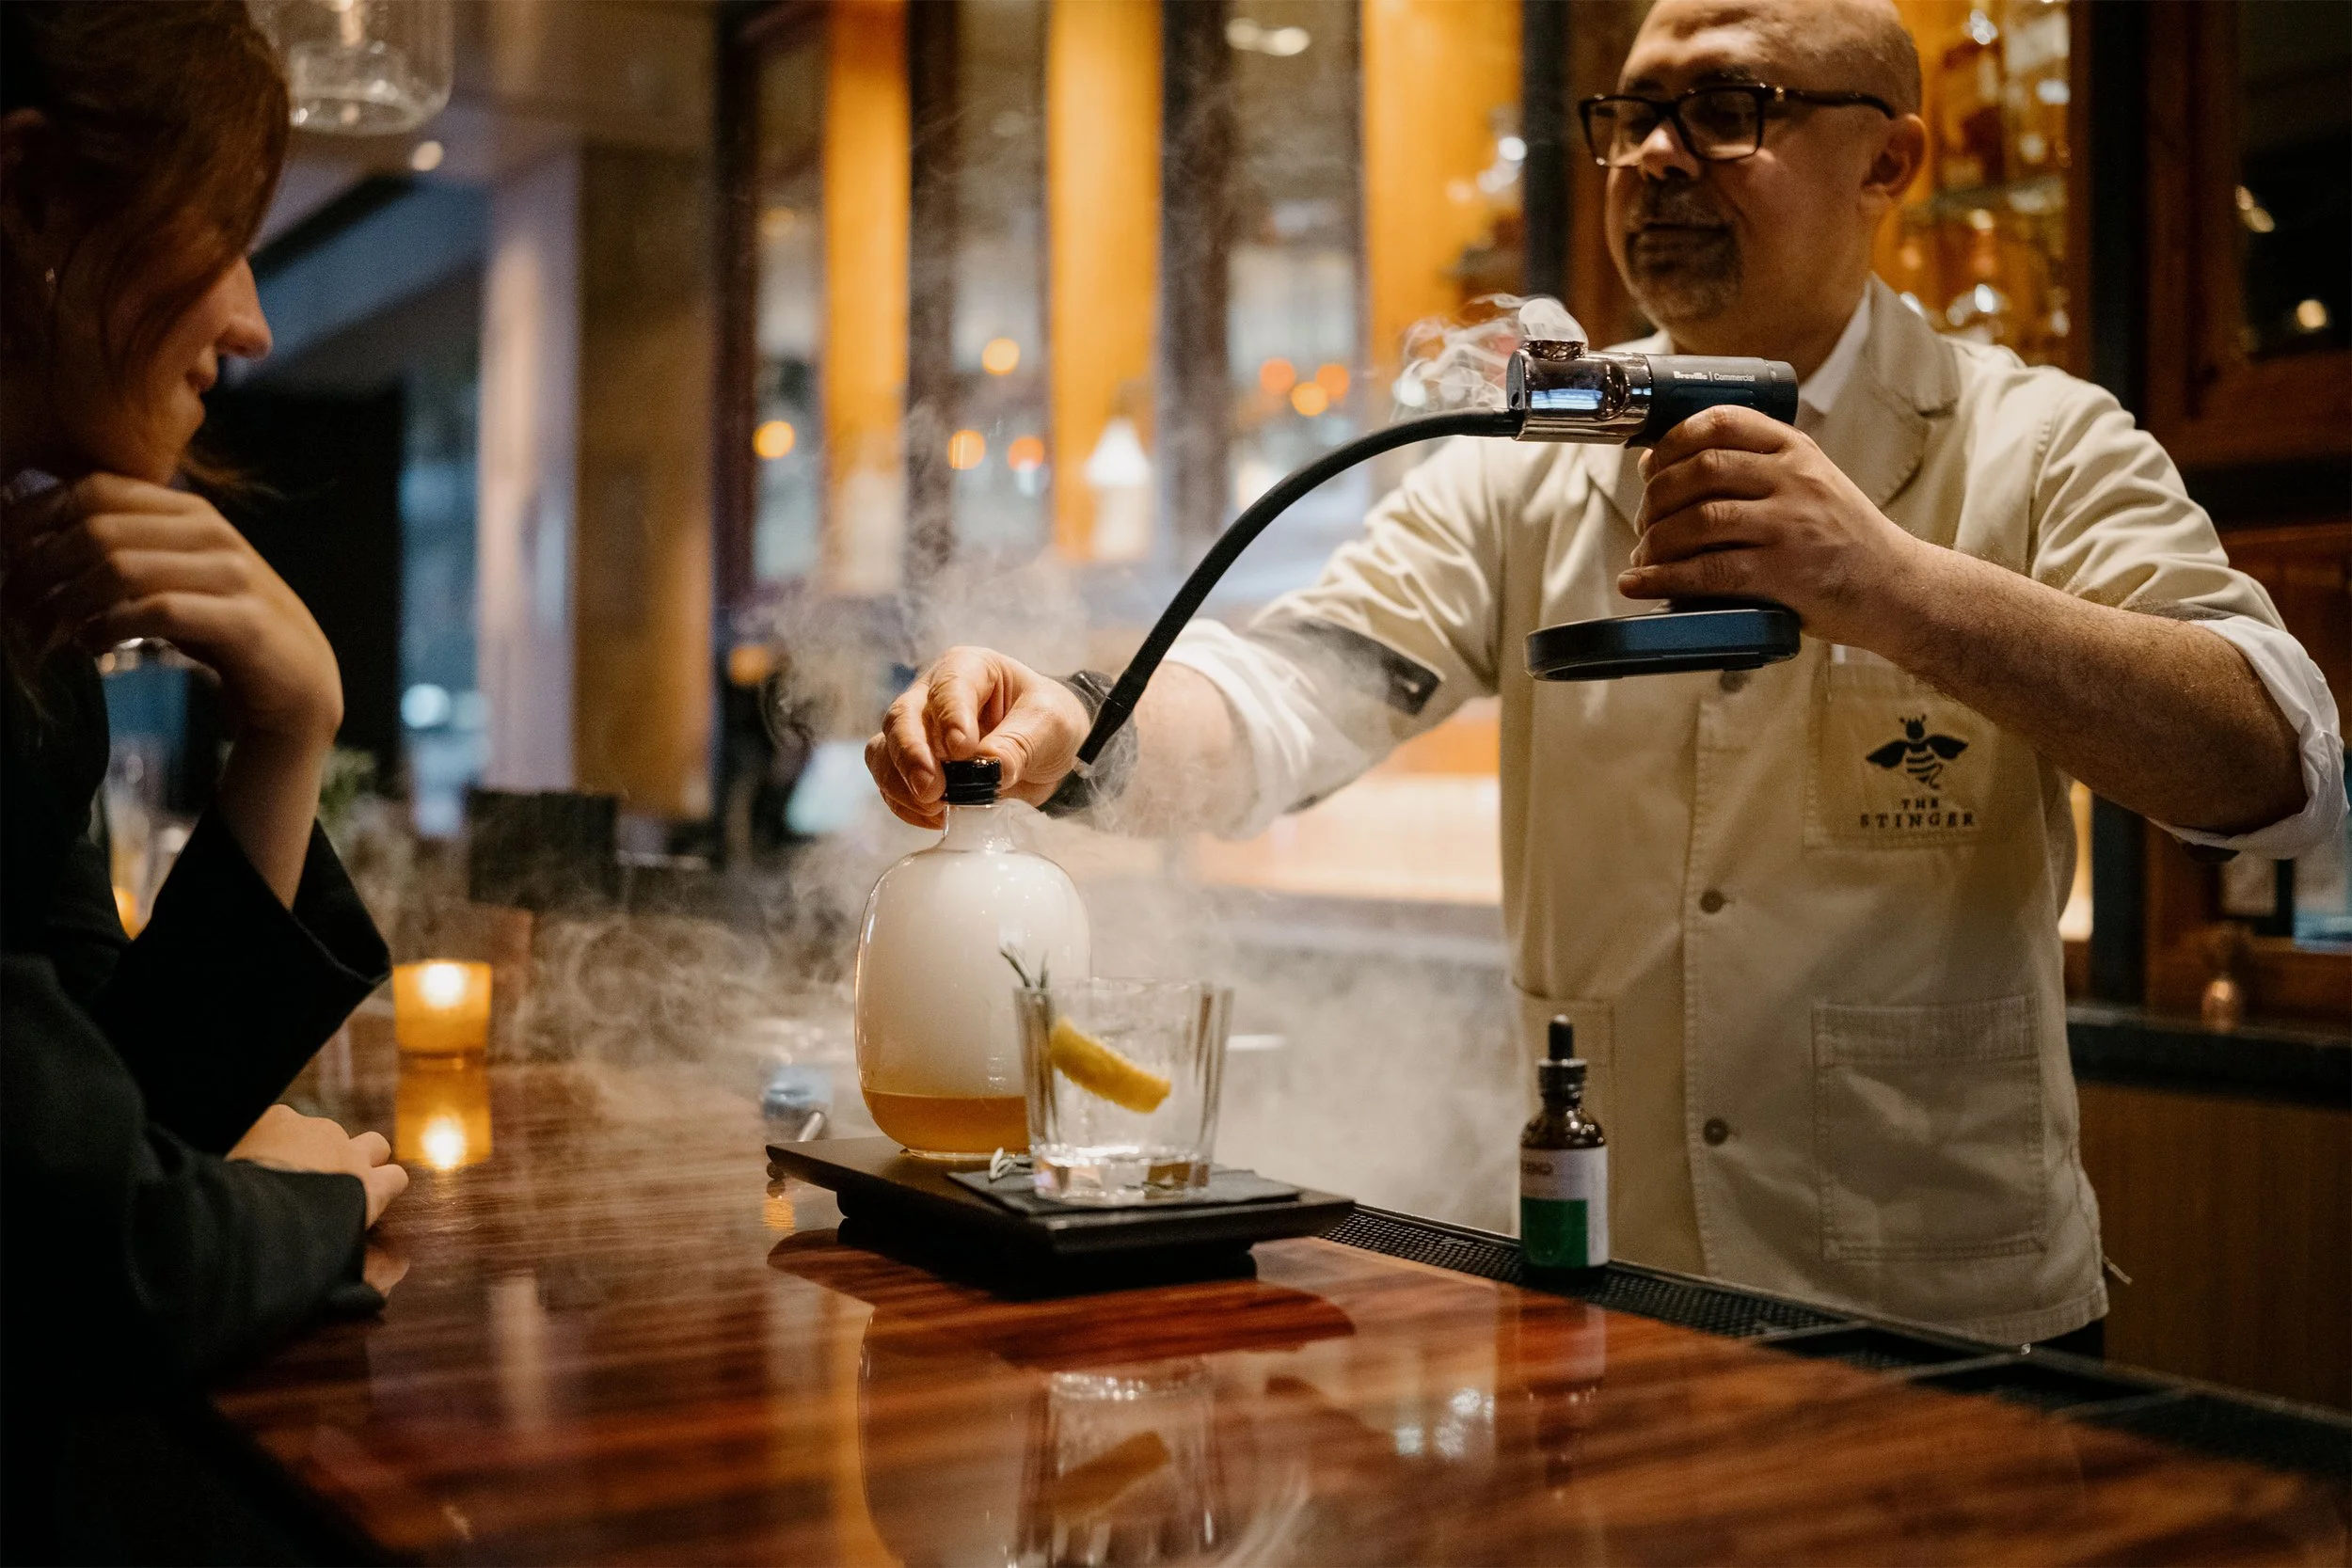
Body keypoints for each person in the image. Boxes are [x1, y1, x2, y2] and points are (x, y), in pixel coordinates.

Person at [869, 0, 2344, 1350]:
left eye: (1726, 109)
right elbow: (1299, 685)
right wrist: (1084, 720)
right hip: (1610, 1310)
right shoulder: (1538, 456)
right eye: (1629, 116)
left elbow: (2278, 763)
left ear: (1888, 161)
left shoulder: (2034, 440)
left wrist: (1889, 585)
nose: (1651, 157)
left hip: (1947, 1331)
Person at [1, 2, 406, 1551]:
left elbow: (130, 1102)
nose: (257, 323)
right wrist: (329, 1207)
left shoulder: (27, 647)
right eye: (227, 233)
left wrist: (290, 725)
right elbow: (102, 1257)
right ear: (33, 195)